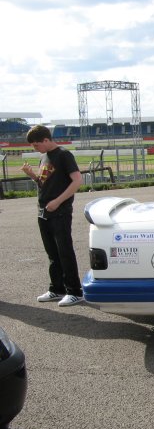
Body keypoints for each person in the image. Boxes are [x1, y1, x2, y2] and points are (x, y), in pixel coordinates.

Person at [21, 125, 84, 307]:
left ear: (46, 140)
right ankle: (57, 288)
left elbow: (77, 180)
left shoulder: (64, 155)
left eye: (36, 145)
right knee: (52, 253)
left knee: (64, 251)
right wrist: (32, 175)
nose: (35, 149)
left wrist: (58, 201)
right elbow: (44, 183)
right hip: (43, 210)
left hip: (60, 211)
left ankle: (74, 291)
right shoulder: (44, 157)